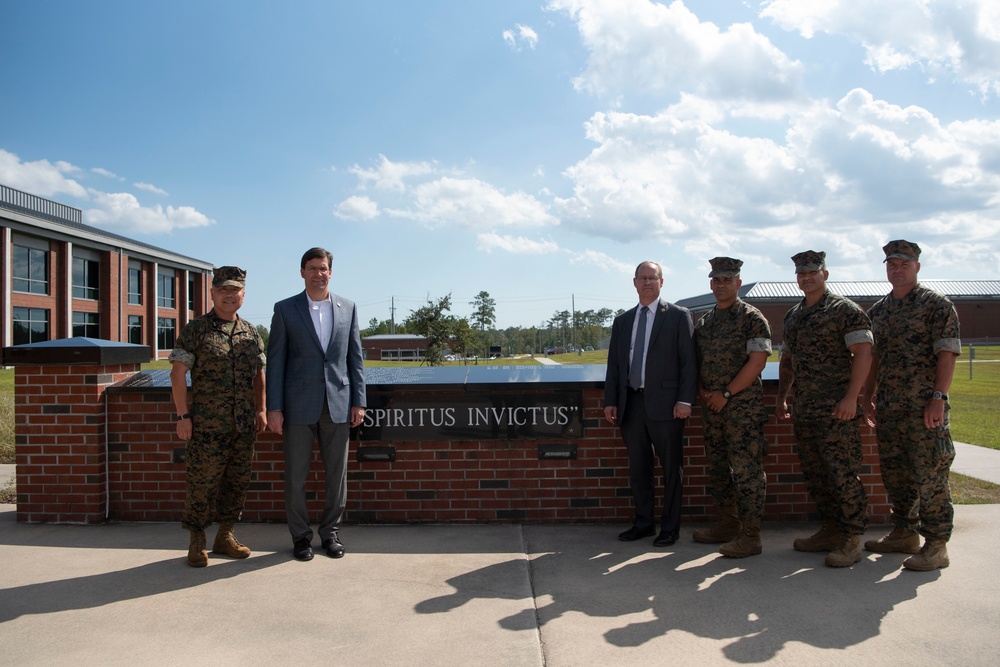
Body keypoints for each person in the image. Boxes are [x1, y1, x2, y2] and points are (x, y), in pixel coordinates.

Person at [863, 240, 961, 571]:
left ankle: (936, 546)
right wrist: (868, 396)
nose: (897, 269)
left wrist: (938, 398)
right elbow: (875, 359)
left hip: (924, 409)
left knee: (930, 475)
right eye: (891, 264)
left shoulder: (937, 306)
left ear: (917, 267)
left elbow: (947, 354)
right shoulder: (879, 312)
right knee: (896, 475)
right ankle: (904, 532)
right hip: (890, 408)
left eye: (903, 264)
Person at [267, 247, 366, 561]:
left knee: (337, 475)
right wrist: (274, 408)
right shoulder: (285, 310)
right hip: (297, 407)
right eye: (312, 268)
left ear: (331, 272)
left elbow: (355, 358)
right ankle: (300, 538)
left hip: (338, 403)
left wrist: (359, 402)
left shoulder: (348, 308)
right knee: (296, 475)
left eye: (323, 268)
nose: (318, 274)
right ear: (302, 272)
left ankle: (331, 533)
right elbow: (275, 363)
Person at [777, 250, 873, 568]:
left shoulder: (844, 311)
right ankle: (831, 530)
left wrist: (851, 398)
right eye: (801, 274)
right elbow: (788, 360)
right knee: (817, 475)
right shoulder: (794, 315)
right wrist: (782, 397)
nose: (806, 278)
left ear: (825, 274)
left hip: (837, 411)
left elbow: (863, 354)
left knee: (843, 475)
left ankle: (852, 538)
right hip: (805, 410)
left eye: (812, 273)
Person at [169, 266, 267, 568]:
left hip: (242, 427)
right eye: (223, 289)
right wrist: (183, 415)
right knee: (201, 484)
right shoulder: (197, 329)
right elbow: (177, 374)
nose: (229, 294)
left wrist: (261, 409)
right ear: (212, 293)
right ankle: (196, 541)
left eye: (235, 289)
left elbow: (259, 375)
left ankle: (225, 536)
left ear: (243, 294)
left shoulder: (250, 332)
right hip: (207, 427)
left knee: (236, 484)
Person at [604, 260, 697, 547]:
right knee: (639, 469)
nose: (647, 282)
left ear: (661, 282)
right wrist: (611, 400)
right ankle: (643, 523)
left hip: (668, 406)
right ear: (634, 283)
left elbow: (689, 363)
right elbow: (615, 365)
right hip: (631, 404)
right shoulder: (623, 321)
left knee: (671, 469)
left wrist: (684, 400)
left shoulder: (679, 316)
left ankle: (669, 528)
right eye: (642, 278)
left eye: (652, 278)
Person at [693, 257, 771, 558]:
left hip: (743, 409)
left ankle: (751, 535)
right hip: (713, 409)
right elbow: (697, 363)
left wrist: (726, 393)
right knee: (718, 469)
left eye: (727, 279)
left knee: (747, 471)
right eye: (716, 279)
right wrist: (704, 392)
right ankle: (728, 524)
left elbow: (758, 361)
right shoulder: (705, 322)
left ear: (738, 283)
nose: (721, 284)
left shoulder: (752, 318)